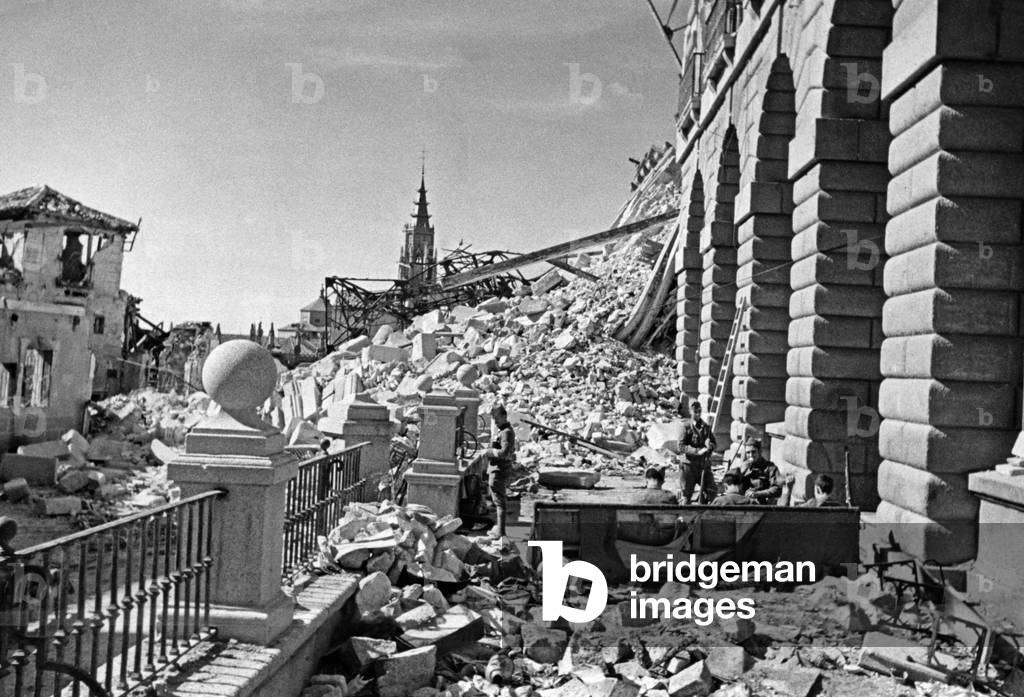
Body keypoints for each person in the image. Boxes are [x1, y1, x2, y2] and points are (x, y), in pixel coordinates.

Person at [483, 404, 516, 538]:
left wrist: (489, 452)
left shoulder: (506, 432)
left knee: (499, 501)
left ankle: (500, 532)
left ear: (504, 416)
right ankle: (499, 529)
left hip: (499, 469)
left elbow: (505, 452)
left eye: (497, 418)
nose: (495, 421)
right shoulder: (503, 430)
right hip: (497, 468)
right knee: (498, 500)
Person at [680, 400, 717, 503]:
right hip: (689, 466)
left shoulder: (706, 427)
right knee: (686, 496)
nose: (697, 413)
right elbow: (681, 446)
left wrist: (710, 445)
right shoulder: (685, 426)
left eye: (699, 411)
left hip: (704, 466)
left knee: (712, 491)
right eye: (695, 411)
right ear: (690, 411)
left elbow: (714, 444)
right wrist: (696, 451)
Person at [739, 439, 782, 504]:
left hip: (762, 504)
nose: (751, 455)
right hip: (743, 503)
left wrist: (758, 494)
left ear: (759, 452)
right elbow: (731, 485)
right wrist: (741, 473)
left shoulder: (770, 468)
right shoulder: (744, 467)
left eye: (753, 452)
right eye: (748, 452)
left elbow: (777, 488)